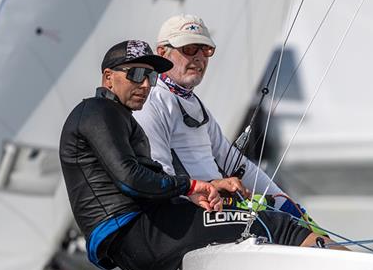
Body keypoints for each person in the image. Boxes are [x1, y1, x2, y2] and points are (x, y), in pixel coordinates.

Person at [59, 40, 327, 270]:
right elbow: (131, 179)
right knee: (276, 225)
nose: (145, 85)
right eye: (136, 75)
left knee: (248, 227)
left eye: (151, 77)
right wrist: (192, 186)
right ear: (108, 78)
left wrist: (198, 195)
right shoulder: (97, 112)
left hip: (143, 236)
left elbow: (147, 180)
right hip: (139, 236)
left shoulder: (122, 118)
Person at [132, 14, 321, 229]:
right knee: (288, 232)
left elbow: (237, 166)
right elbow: (161, 176)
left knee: (300, 225)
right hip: (188, 212)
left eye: (206, 50)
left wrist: (285, 202)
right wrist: (209, 190)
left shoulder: (195, 104)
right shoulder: (152, 101)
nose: (199, 57)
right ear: (162, 52)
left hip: (217, 208)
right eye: (189, 49)